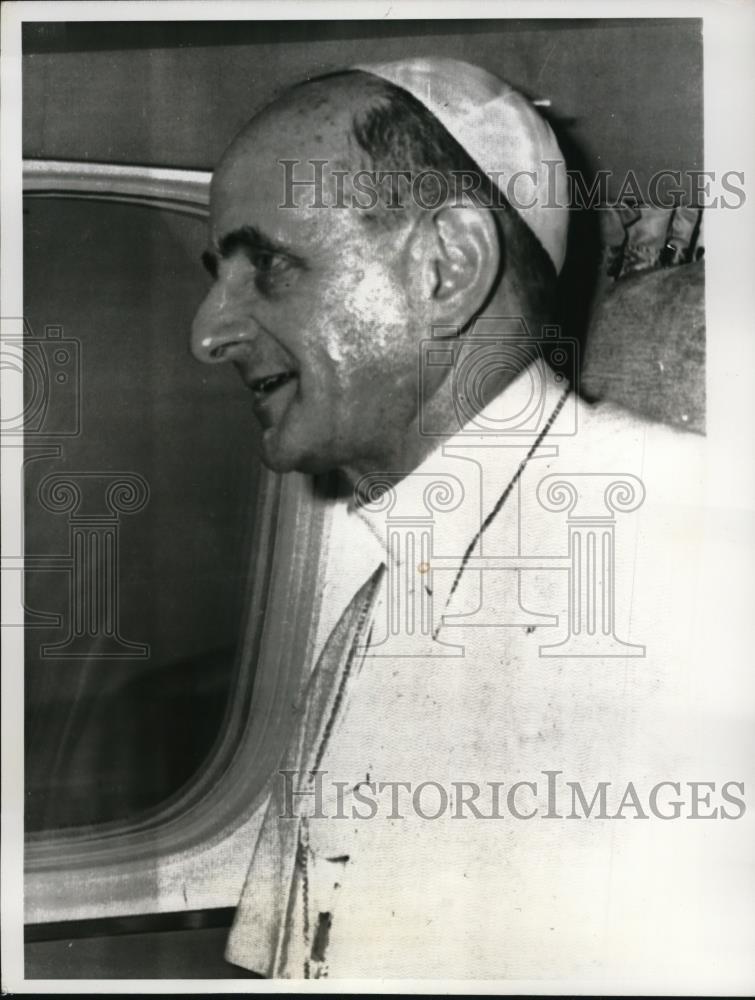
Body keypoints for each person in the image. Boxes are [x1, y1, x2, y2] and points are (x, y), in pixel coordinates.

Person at [191, 59, 746, 985]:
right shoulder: (367, 615)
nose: (207, 332)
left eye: (270, 268)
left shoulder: (696, 566)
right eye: (219, 278)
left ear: (448, 267)